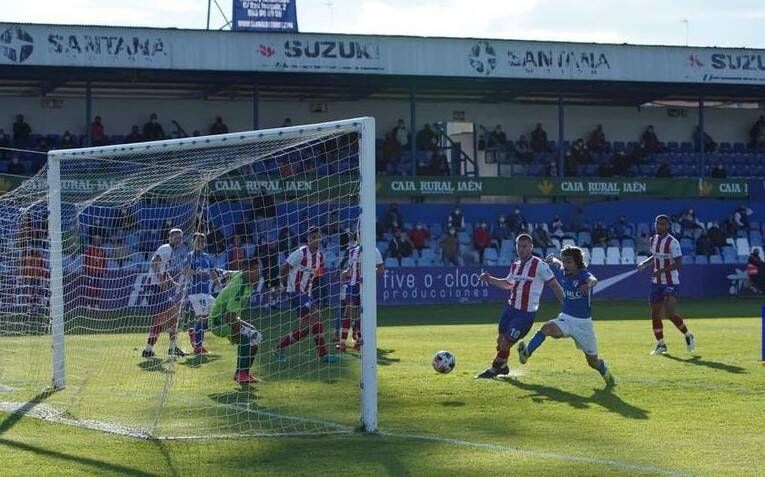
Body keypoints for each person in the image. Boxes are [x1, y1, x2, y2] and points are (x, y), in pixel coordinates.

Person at [517, 246, 615, 386]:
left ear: (577, 263)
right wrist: (554, 260)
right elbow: (558, 264)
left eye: (569, 262)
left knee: (592, 362)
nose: (565, 265)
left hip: (583, 325)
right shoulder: (563, 270)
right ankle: (527, 353)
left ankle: (603, 368)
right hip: (566, 319)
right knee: (547, 328)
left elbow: (594, 279)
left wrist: (588, 285)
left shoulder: (583, 275)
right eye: (564, 262)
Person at [475, 234, 563, 379]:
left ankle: (493, 369)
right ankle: (503, 367)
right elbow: (508, 284)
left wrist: (565, 305)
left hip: (525, 314)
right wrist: (490, 279)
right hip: (510, 309)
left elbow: (554, 285)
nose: (521, 249)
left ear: (531, 247)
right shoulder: (515, 265)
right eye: (519, 246)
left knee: (506, 344)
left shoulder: (540, 265)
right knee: (500, 341)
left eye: (524, 246)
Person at [275, 227, 337, 363]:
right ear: (308, 239)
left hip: (307, 294)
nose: (315, 240)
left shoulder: (320, 256)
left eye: (318, 237)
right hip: (294, 292)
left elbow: (317, 275)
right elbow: (284, 269)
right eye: (312, 237)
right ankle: (323, 354)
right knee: (317, 316)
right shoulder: (300, 253)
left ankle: (280, 348)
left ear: (321, 238)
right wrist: (284, 286)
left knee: (307, 328)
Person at [636, 215, 695, 355]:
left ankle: (688, 335)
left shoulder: (673, 242)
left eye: (663, 224)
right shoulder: (653, 239)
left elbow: (679, 263)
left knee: (669, 312)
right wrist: (644, 264)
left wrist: (661, 271)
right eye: (658, 224)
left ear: (668, 226)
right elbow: (655, 257)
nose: (660, 226)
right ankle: (661, 344)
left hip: (670, 282)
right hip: (656, 282)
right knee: (655, 314)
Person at [209, 257, 264, 383]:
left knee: (256, 336)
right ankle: (241, 374)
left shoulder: (242, 275)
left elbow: (233, 273)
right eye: (255, 269)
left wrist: (225, 272)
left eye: (258, 269)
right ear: (247, 270)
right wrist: (243, 331)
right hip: (219, 322)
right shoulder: (240, 288)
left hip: (227, 318)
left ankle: (242, 373)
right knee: (249, 337)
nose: (259, 272)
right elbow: (229, 316)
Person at [334, 236, 384, 352]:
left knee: (363, 316)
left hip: (366, 288)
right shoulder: (352, 251)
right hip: (353, 285)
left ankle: (359, 341)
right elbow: (351, 269)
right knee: (348, 312)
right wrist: (344, 273)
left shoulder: (374, 250)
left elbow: (381, 270)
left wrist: (368, 270)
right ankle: (342, 343)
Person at [142, 228, 186, 359]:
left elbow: (164, 270)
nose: (178, 240)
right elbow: (154, 262)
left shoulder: (170, 251)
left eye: (180, 238)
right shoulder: (166, 248)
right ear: (170, 237)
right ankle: (149, 349)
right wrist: (161, 280)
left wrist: (173, 283)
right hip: (153, 288)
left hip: (158, 289)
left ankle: (167, 348)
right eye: (176, 237)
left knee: (172, 317)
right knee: (163, 319)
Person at [183, 233, 221, 355]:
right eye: (198, 242)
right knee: (203, 317)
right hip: (195, 292)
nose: (201, 244)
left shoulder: (207, 257)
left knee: (215, 312)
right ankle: (198, 347)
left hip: (206, 292)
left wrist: (219, 286)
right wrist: (195, 272)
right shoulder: (190, 256)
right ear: (193, 243)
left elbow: (212, 272)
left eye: (203, 242)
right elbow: (184, 270)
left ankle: (193, 332)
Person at [83, 235, 107, 309]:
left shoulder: (103, 251)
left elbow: (104, 262)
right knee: (90, 289)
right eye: (96, 240)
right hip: (91, 272)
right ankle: (88, 305)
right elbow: (86, 261)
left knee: (98, 289)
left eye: (99, 240)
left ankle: (96, 305)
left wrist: (104, 271)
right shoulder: (89, 250)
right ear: (93, 241)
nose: (97, 241)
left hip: (99, 273)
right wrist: (86, 271)